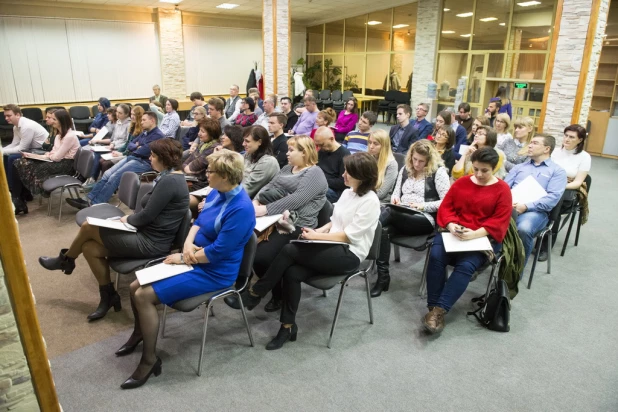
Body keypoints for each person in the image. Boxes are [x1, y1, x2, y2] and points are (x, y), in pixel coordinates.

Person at [113, 149, 254, 389]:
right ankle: (140, 334)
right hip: (195, 255)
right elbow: (196, 222)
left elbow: (218, 253)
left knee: (143, 295)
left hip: (216, 271)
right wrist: (187, 246)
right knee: (135, 285)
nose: (205, 174)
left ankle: (149, 360)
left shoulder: (241, 208)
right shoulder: (218, 192)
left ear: (226, 175)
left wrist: (184, 258)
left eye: (211, 171)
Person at [39, 138, 188, 325]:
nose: (150, 158)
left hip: (151, 243)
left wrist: (126, 219)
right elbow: (148, 214)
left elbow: (145, 216)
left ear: (164, 158)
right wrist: (128, 222)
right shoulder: (168, 176)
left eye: (153, 155)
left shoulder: (171, 181)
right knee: (89, 248)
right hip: (144, 232)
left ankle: (66, 260)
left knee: (88, 226)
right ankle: (108, 295)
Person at [240, 152, 380, 350]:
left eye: (348, 172)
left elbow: (349, 236)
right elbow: (334, 221)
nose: (343, 176)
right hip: (332, 245)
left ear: (362, 176)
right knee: (292, 272)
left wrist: (316, 237)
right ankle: (287, 327)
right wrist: (318, 231)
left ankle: (256, 293)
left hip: (350, 254)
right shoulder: (349, 192)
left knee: (290, 250)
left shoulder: (371, 201)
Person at [225, 136, 327, 312]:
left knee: (261, 257)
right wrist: (256, 202)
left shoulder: (314, 173)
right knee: (245, 245)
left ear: (304, 153)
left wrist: (265, 209)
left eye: (291, 150)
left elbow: (297, 199)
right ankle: (276, 294)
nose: (286, 153)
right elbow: (268, 187)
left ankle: (265, 294)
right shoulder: (288, 168)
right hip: (274, 218)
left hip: (298, 225)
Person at [423, 147, 512, 334]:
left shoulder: (502, 189)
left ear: (494, 168)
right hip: (454, 233)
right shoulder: (462, 183)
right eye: (476, 168)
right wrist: (450, 225)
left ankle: (439, 311)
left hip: (481, 237)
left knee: (466, 266)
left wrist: (473, 234)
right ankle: (433, 308)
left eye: (484, 170)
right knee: (436, 257)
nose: (479, 174)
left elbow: (499, 221)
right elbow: (447, 208)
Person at [373, 140, 450, 297]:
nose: (417, 164)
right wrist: (396, 199)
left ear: (429, 160)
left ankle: (363, 234)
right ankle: (383, 278)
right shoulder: (406, 168)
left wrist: (421, 206)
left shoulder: (438, 172)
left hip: (423, 218)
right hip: (400, 212)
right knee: (384, 229)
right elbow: (396, 192)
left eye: (421, 161)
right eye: (414, 159)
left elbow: (446, 202)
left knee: (387, 214)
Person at [66, 111, 165, 209]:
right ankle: (88, 198)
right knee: (107, 174)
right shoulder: (145, 132)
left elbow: (143, 151)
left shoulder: (158, 135)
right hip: (132, 158)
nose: (141, 122)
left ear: (152, 121)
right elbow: (130, 144)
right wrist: (136, 146)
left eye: (144, 120)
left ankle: (95, 203)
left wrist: (137, 147)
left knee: (114, 177)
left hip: (144, 163)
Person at [504, 134, 567, 271]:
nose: (530, 146)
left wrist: (526, 207)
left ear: (546, 149)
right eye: (530, 142)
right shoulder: (519, 167)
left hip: (535, 212)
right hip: (510, 206)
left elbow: (552, 199)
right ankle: (481, 263)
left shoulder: (557, 171)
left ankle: (515, 270)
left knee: (523, 229)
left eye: (535, 143)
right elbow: (503, 188)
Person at [538, 124, 592, 261]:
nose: (567, 139)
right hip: (548, 185)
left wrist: (558, 186)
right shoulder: (554, 152)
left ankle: (545, 245)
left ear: (580, 140)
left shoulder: (584, 157)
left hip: (568, 191)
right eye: (566, 135)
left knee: (556, 199)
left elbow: (578, 182)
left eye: (571, 137)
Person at [10, 109, 80, 214]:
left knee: (26, 165)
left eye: (54, 119)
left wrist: (48, 155)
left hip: (66, 165)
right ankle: (19, 198)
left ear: (62, 121)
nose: (52, 121)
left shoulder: (69, 136)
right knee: (20, 162)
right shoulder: (58, 135)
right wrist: (34, 156)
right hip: (57, 161)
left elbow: (57, 157)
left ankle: (20, 198)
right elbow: (53, 153)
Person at [2, 104, 48, 193]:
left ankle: (14, 189)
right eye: (5, 116)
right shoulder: (16, 126)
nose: (6, 118)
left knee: (11, 157)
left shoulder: (26, 126)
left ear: (18, 115)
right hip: (33, 149)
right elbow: (14, 144)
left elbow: (21, 148)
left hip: (43, 151)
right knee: (6, 156)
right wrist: (2, 150)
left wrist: (2, 151)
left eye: (9, 115)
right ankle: (9, 186)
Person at [87, 104, 131, 182]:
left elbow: (126, 142)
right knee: (96, 152)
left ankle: (95, 179)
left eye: (120, 113)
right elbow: (113, 138)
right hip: (113, 146)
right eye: (117, 112)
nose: (117, 114)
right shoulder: (118, 122)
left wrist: (114, 146)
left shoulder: (129, 124)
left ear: (126, 114)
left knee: (100, 158)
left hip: (119, 148)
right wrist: (112, 144)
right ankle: (92, 178)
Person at [99, 106, 145, 176]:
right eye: (131, 114)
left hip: (130, 155)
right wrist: (119, 151)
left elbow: (134, 148)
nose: (132, 116)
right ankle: (102, 181)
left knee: (106, 163)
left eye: (134, 115)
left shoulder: (141, 130)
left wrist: (122, 153)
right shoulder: (132, 126)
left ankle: (107, 182)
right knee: (101, 160)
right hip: (125, 152)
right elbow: (128, 143)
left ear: (139, 116)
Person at [183, 117, 222, 192]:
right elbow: (185, 163)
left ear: (211, 134)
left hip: (200, 184)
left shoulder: (213, 148)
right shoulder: (202, 144)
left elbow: (190, 168)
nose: (199, 134)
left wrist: (187, 167)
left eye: (202, 131)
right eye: (199, 130)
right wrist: (186, 167)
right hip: (190, 179)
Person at [314, 126, 351, 203]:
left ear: (331, 139)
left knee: (311, 188)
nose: (319, 147)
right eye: (318, 145)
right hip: (321, 184)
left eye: (322, 144)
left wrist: (321, 181)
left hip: (334, 191)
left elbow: (343, 182)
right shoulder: (322, 150)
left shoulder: (345, 154)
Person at [242, 125, 280, 198]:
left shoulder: (268, 162)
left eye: (247, 141)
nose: (243, 144)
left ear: (259, 142)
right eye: (243, 140)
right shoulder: (248, 155)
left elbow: (247, 189)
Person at [367, 129, 398, 202]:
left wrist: (362, 196)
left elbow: (381, 193)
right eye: (370, 142)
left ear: (384, 146)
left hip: (380, 202)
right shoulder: (369, 159)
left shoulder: (392, 164)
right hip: (366, 196)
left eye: (375, 143)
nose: (371, 146)